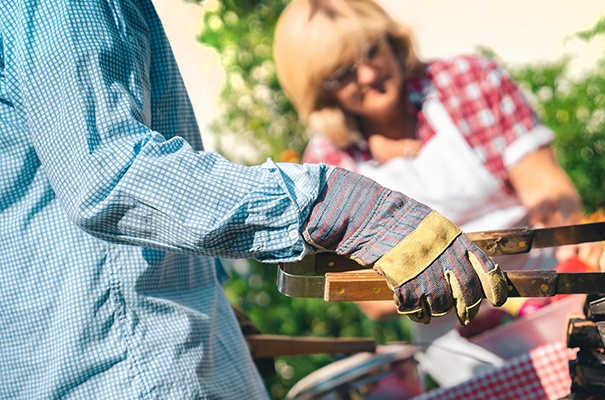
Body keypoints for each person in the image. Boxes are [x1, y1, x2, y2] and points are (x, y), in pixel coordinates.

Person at [0, 1, 510, 398]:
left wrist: (210, 304)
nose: (367, 75)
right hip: (130, 371)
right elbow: (110, 174)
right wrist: (342, 208)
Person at [273, 0, 599, 387]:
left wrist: (568, 240)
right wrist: (460, 290)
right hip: (454, 337)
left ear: (390, 38)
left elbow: (547, 189)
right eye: (344, 73)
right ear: (320, 90)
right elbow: (367, 296)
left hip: (548, 288)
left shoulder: (467, 81)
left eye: (371, 50)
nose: (368, 72)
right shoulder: (329, 164)